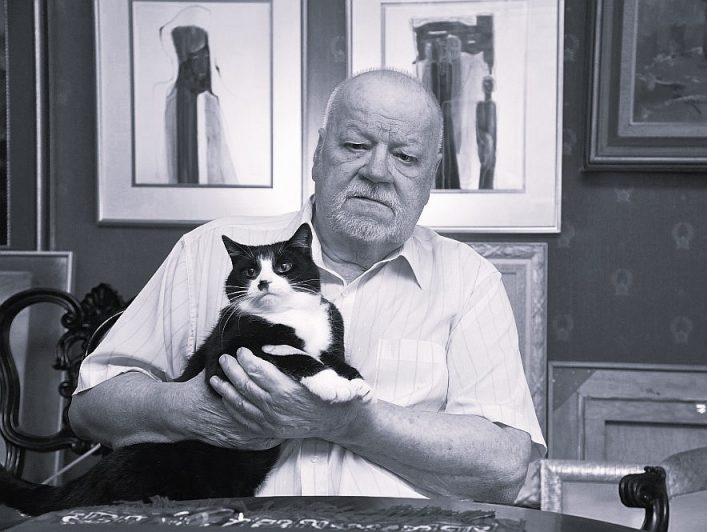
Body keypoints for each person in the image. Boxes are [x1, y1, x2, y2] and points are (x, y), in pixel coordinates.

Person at [70, 69, 545, 504]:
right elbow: (92, 409)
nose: (377, 171)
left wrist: (353, 424)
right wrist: (185, 408)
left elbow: (503, 469)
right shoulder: (207, 251)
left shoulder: (470, 280)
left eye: (405, 156)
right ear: (318, 152)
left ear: (430, 174)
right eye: (355, 145)